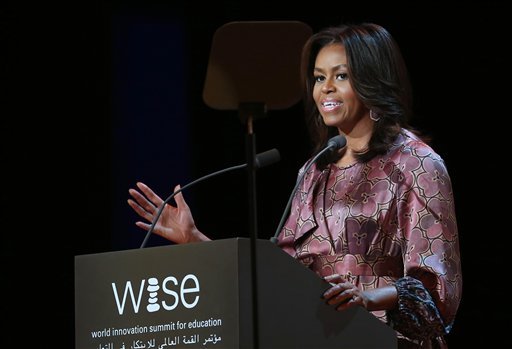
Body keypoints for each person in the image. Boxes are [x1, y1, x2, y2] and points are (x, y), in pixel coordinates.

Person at [127, 22, 462, 348]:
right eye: (319, 78)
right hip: (318, 337)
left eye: (340, 76)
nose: (325, 88)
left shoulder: (416, 164)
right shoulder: (315, 170)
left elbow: (435, 290)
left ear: (373, 80)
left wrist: (367, 298)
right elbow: (282, 275)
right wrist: (196, 240)